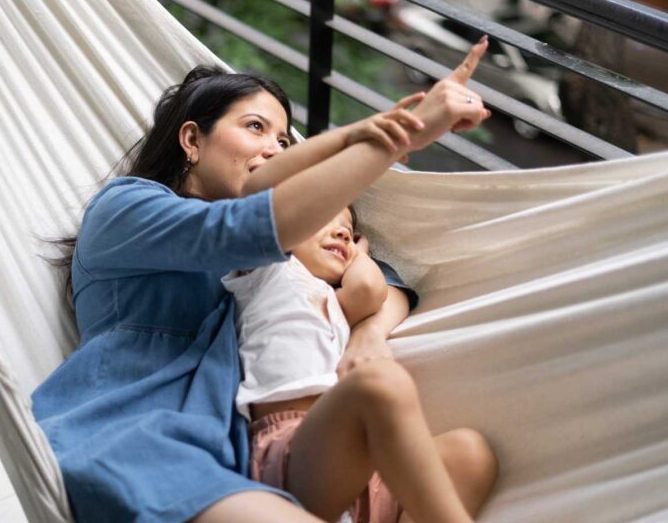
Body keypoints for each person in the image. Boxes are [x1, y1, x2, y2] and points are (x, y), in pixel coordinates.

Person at [32, 38, 494, 522]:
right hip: (134, 444)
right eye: (256, 128)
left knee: (468, 454)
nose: (273, 149)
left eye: (283, 142)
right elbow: (244, 225)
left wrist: (369, 333)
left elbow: (384, 281)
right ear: (191, 140)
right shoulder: (126, 207)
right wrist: (394, 134)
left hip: (232, 457)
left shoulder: (272, 259)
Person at [222, 204, 496, 523]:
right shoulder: (266, 272)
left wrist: (355, 252)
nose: (342, 233)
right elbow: (366, 286)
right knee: (378, 384)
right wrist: (359, 250)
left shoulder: (336, 306)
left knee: (471, 454)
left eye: (349, 231)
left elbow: (369, 290)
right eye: (324, 219)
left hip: (357, 472)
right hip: (290, 453)